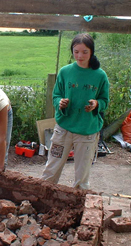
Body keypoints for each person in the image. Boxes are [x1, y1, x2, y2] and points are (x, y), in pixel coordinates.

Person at [41, 33, 109, 189]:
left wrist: (96, 104)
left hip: (87, 131)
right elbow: (56, 95)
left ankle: (79, 206)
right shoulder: (65, 72)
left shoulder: (100, 75)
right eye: (76, 51)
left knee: (82, 175)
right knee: (51, 168)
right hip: (64, 128)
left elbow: (105, 101)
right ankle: (43, 197)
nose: (80, 55)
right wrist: (60, 102)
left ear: (91, 52)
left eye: (84, 52)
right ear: (72, 51)